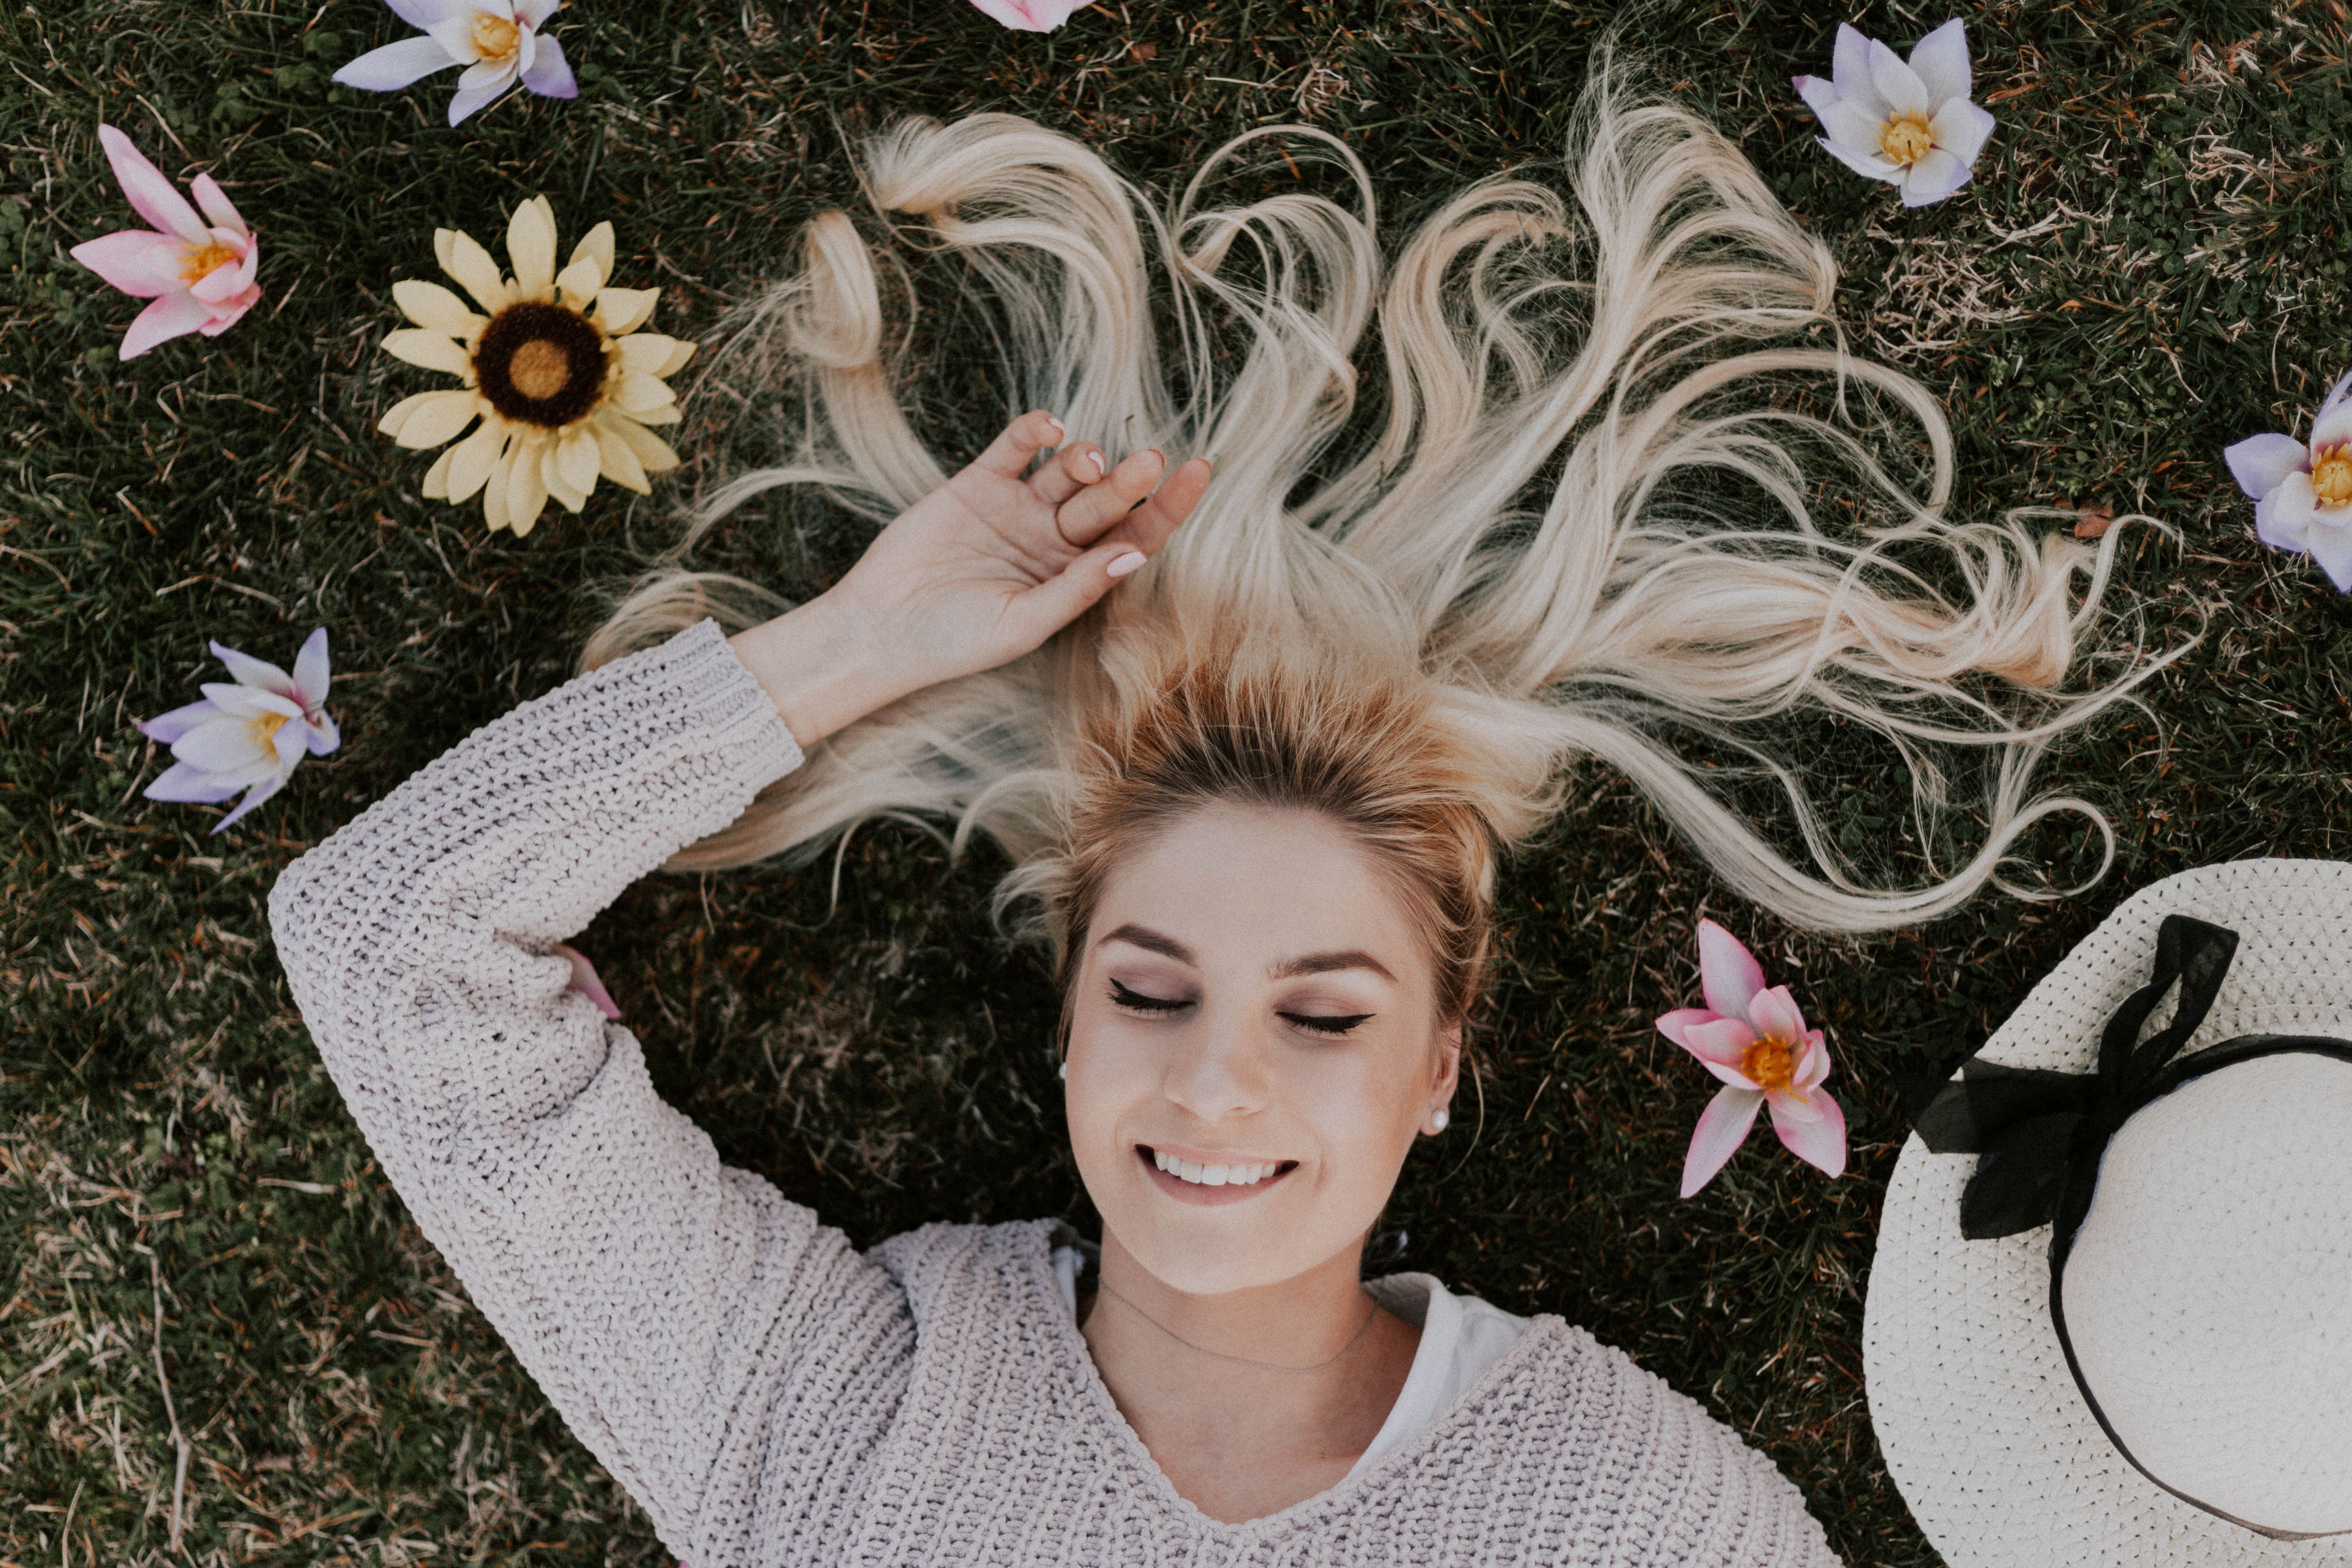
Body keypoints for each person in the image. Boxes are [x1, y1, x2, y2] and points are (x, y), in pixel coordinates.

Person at [272, 66, 2168, 1565]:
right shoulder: (831, 1414)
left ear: (1442, 1061)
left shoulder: (1627, 1522)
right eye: (1153, 990)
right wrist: (850, 645)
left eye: (1325, 1013)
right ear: (1071, 1012)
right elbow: (392, 949)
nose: (1216, 1086)